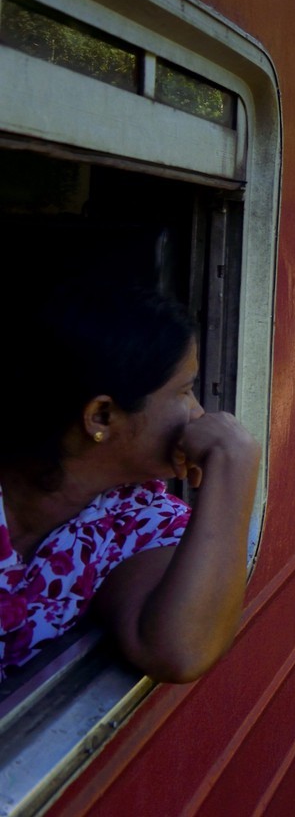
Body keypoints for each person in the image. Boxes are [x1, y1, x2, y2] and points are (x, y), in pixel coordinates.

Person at [1, 283, 260, 682]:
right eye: (185, 391)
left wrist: (234, 462)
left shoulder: (136, 521)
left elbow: (181, 650)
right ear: (102, 416)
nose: (199, 413)